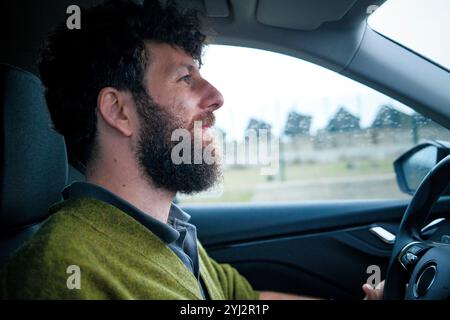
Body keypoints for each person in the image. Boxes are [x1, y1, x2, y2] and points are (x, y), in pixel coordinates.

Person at [0, 0, 383, 300]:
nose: (216, 97)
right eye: (185, 77)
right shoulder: (62, 266)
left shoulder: (173, 230)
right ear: (119, 111)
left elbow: (245, 299)